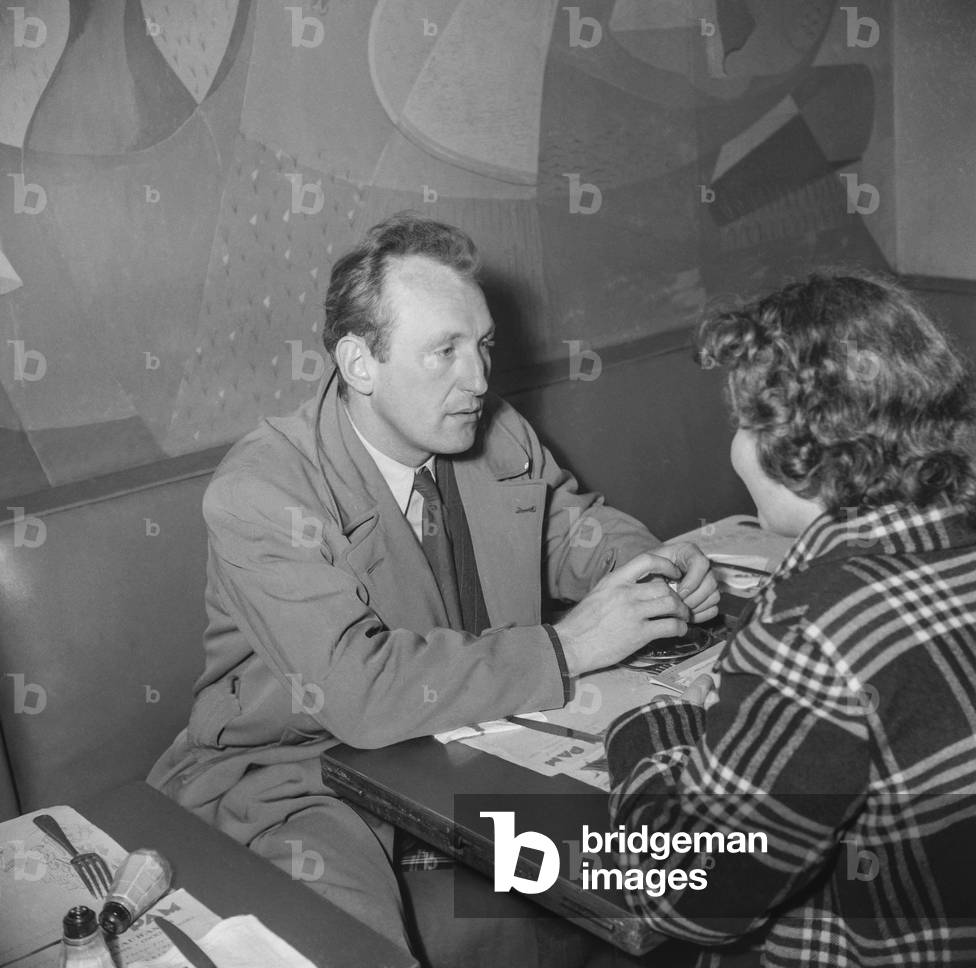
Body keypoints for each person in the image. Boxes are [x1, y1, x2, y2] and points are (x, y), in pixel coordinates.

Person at [148, 214, 719, 966]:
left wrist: (652, 572)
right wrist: (571, 643)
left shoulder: (495, 431)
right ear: (359, 363)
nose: (479, 379)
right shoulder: (261, 491)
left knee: (694, 844)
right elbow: (358, 692)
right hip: (297, 770)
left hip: (462, 749)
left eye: (482, 345)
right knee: (358, 946)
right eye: (444, 351)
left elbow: (577, 531)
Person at [603, 270, 976, 967]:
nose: (736, 446)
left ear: (794, 445)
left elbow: (691, 896)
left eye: (745, 422)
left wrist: (644, 732)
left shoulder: (814, 627)